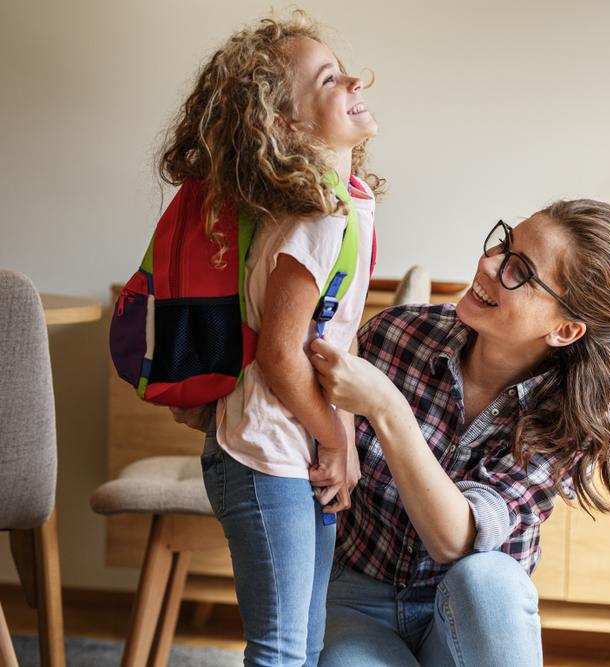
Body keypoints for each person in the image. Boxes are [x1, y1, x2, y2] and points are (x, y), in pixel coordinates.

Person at [306, 199, 610, 666]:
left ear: (565, 330)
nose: (488, 265)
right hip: (357, 596)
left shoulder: (567, 418)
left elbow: (454, 540)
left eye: (519, 270)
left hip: (469, 615)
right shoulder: (397, 335)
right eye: (504, 244)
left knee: (489, 577)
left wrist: (386, 407)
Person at [160, 12, 382, 666]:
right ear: (286, 125)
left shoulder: (344, 199)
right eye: (328, 79)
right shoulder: (314, 215)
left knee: (305, 647)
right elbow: (281, 355)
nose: (352, 81)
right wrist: (337, 436)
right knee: (283, 649)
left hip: (289, 451)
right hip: (264, 454)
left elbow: (325, 344)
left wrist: (331, 433)